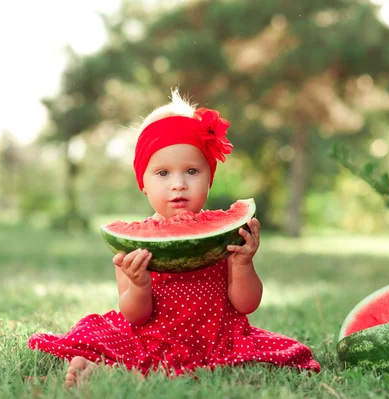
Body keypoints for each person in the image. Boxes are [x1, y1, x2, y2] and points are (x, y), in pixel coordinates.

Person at [28, 89, 320, 387]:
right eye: (163, 173)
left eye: (192, 171)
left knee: (274, 357)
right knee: (104, 338)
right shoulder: (132, 245)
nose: (178, 184)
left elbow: (246, 304)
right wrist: (139, 284)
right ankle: (104, 369)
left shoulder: (226, 237)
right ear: (143, 183)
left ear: (209, 178)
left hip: (218, 338)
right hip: (150, 337)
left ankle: (122, 370)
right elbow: (134, 316)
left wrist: (244, 263)